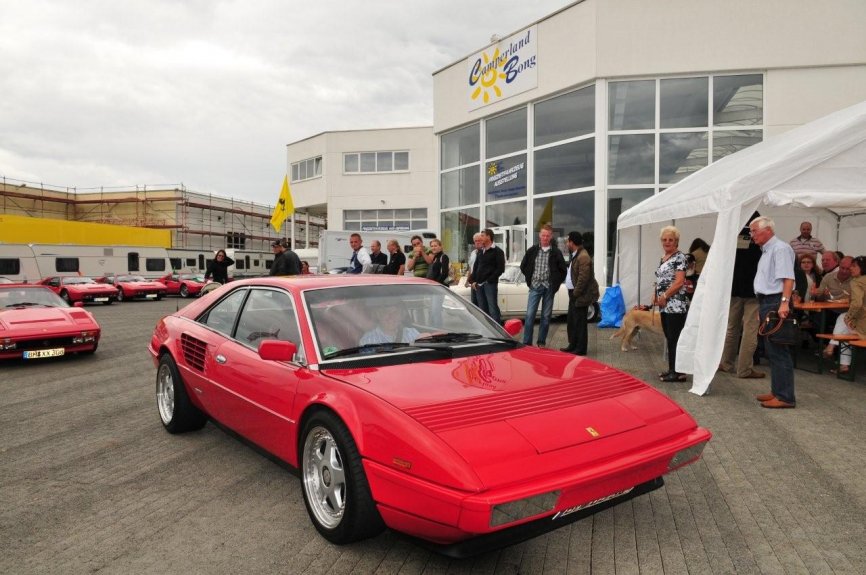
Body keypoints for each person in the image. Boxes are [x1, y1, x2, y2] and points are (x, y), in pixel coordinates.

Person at [750, 216, 797, 409]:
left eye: (754, 230)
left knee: (778, 349)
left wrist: (784, 303)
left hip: (776, 301)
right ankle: (777, 391)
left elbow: (788, 278)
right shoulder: (768, 250)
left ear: (767, 230)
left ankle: (785, 396)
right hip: (767, 301)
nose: (751, 235)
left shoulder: (780, 248)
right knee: (771, 349)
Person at [720, 213, 765, 379]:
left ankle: (726, 363)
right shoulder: (759, 240)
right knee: (750, 329)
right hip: (753, 290)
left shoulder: (734, 236)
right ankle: (744, 369)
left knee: (732, 328)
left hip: (734, 288)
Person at [519, 224, 567, 347]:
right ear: (539, 235)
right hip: (535, 286)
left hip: (549, 287)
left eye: (547, 236)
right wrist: (530, 279)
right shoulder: (532, 250)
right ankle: (527, 343)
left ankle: (541, 342)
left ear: (551, 237)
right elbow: (523, 266)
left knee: (546, 316)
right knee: (530, 315)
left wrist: (555, 284)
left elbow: (563, 271)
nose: (545, 238)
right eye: (543, 235)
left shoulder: (556, 252)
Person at [654, 226, 690, 382]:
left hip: (676, 304)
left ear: (676, 241)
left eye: (671, 239)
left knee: (675, 338)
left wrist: (665, 295)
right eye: (664, 239)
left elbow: (679, 281)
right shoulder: (664, 257)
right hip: (665, 304)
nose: (667, 242)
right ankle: (672, 369)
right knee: (669, 337)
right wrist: (656, 295)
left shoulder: (680, 257)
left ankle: (678, 372)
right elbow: (661, 280)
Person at [822, 255, 866, 375]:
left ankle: (832, 347)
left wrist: (849, 317)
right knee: (845, 327)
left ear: (862, 268)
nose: (851, 268)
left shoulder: (856, 282)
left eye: (854, 266)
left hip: (863, 326)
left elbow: (857, 303)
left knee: (845, 321)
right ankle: (842, 362)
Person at [561, 231, 598, 355]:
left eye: (568, 241)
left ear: (572, 242)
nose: (567, 243)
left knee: (580, 322)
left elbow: (583, 278)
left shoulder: (583, 256)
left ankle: (580, 349)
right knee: (572, 321)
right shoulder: (576, 254)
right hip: (574, 293)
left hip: (580, 295)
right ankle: (573, 345)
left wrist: (575, 293)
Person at [471, 229, 506, 324]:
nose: (480, 238)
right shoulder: (480, 251)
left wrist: (489, 280)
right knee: (482, 309)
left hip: (490, 284)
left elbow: (500, 269)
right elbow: (476, 267)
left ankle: (497, 330)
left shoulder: (498, 251)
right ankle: (486, 329)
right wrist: (473, 281)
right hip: (478, 284)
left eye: (482, 236)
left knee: (492, 308)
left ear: (489, 237)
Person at [463, 233, 485, 306]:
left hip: (481, 283)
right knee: (474, 304)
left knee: (481, 304)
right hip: (472, 282)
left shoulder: (485, 252)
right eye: (476, 241)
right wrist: (467, 281)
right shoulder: (473, 253)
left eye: (479, 240)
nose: (477, 242)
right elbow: (470, 268)